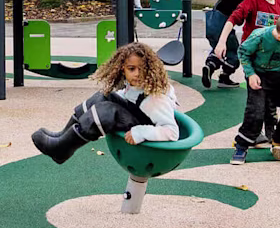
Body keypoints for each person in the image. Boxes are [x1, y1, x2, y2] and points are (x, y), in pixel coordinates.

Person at [30, 42, 180, 163]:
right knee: (102, 97)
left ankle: (62, 148)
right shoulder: (135, 86)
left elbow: (172, 132)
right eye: (131, 69)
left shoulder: (155, 98)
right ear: (123, 69)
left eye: (143, 69)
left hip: (147, 132)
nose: (137, 74)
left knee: (106, 111)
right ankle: (63, 137)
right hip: (140, 117)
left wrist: (140, 132)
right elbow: (129, 98)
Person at [231, 10, 280, 165]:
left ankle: (279, 140)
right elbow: (243, 52)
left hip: (277, 74)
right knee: (256, 111)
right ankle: (241, 145)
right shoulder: (259, 37)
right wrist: (250, 74)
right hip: (258, 75)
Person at [208, 0, 280, 88]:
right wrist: (222, 42)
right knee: (258, 95)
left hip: (271, 56)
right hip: (253, 55)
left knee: (275, 98)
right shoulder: (252, 0)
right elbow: (232, 19)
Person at [202, 0, 245, 88]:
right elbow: (239, 20)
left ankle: (210, 65)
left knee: (218, 49)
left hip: (210, 27)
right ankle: (224, 77)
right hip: (222, 28)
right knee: (233, 52)